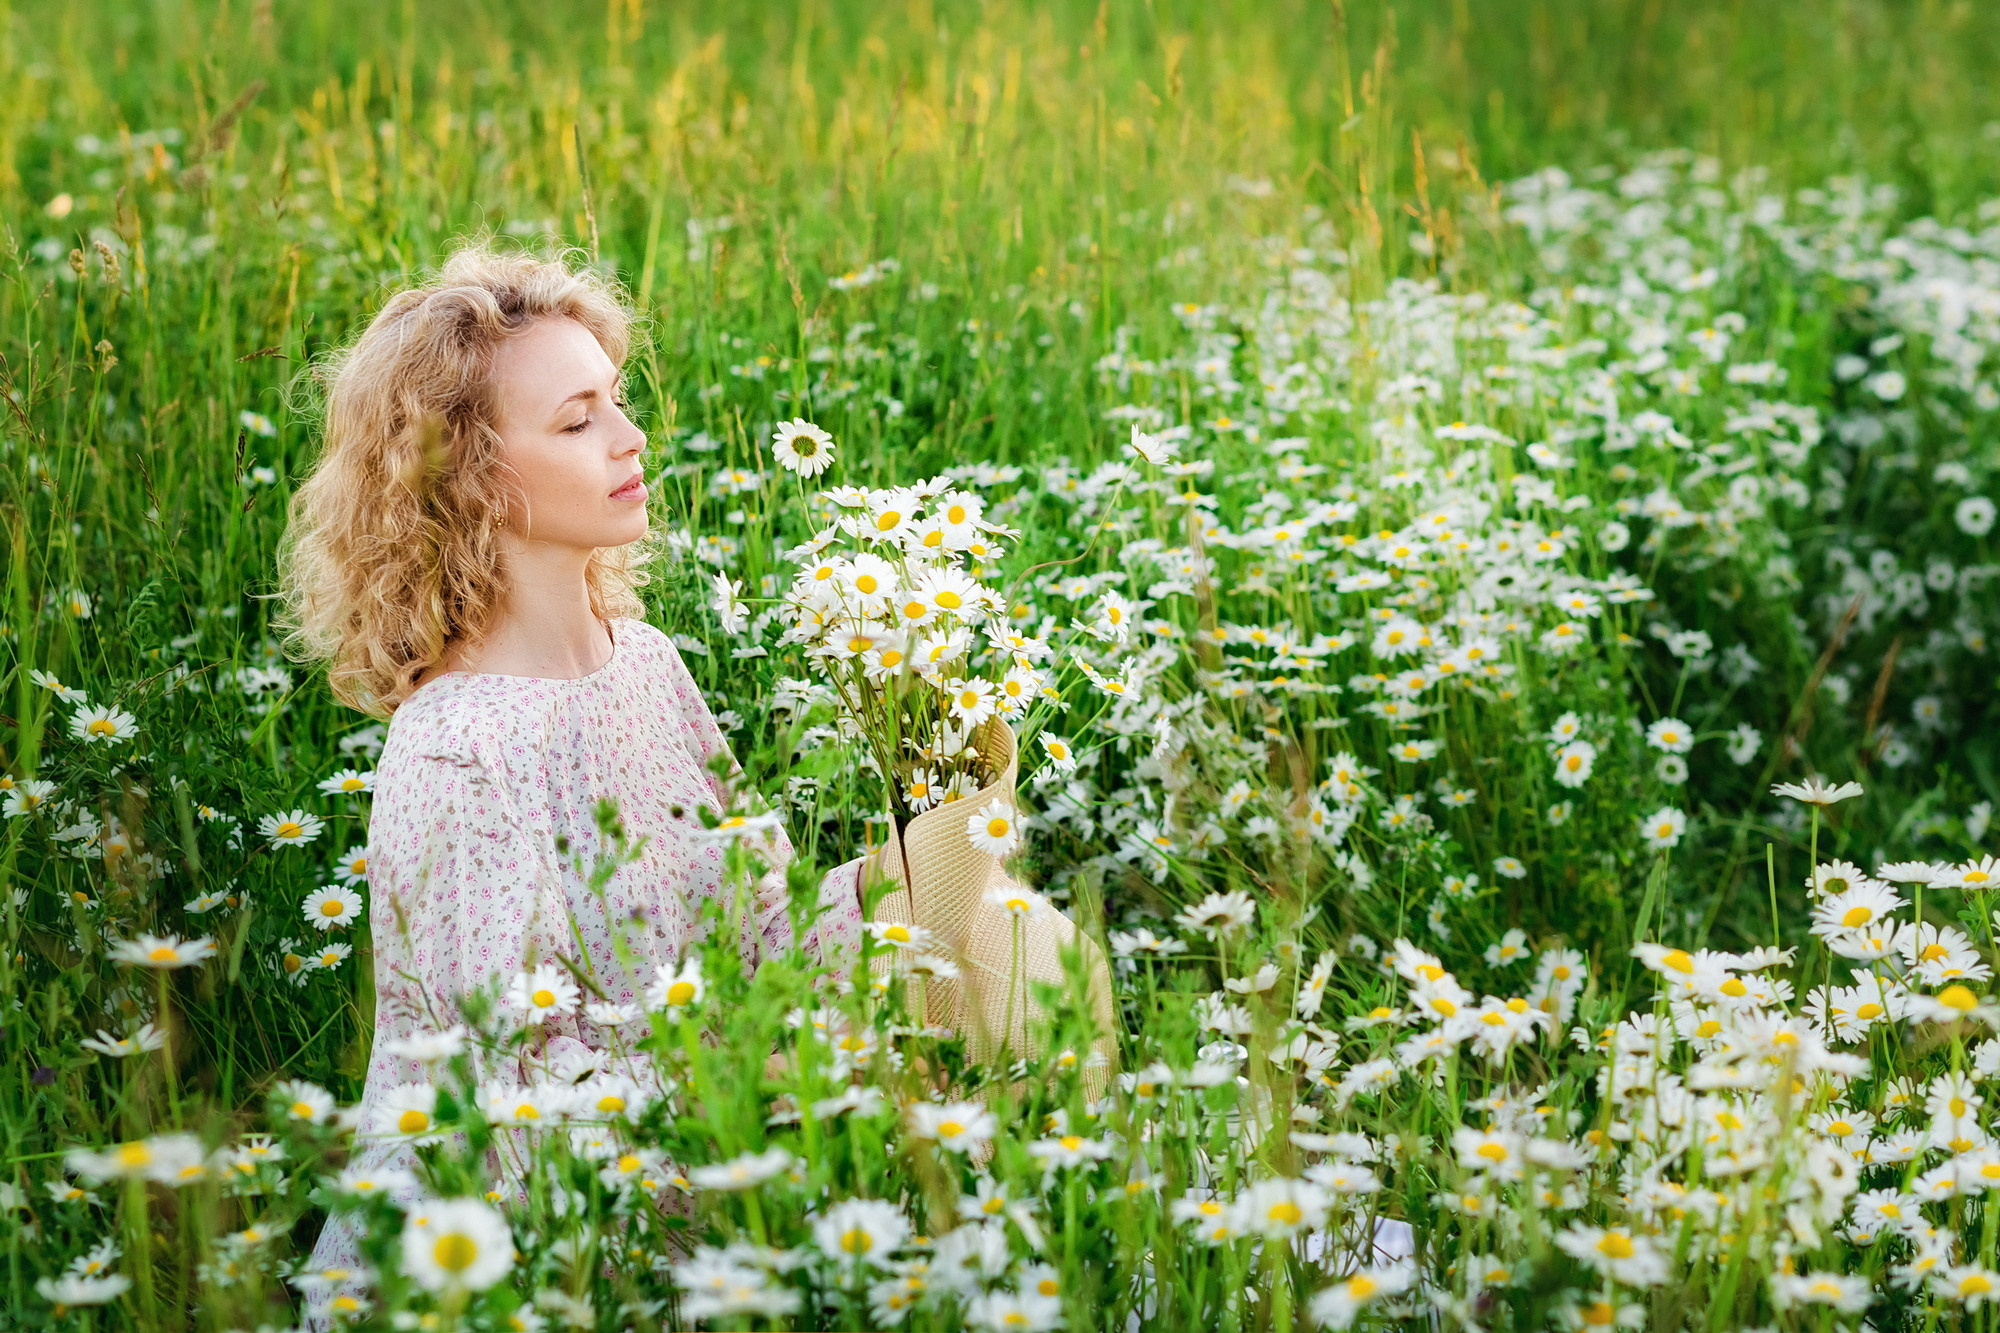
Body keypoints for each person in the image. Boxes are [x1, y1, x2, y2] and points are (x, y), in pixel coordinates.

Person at [272, 239, 866, 1321]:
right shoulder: (460, 752)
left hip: (715, 1153)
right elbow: (519, 1115)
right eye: (576, 418)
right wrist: (768, 1080)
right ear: (468, 475)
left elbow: (751, 933)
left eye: (617, 399)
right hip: (517, 1264)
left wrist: (913, 873)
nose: (631, 438)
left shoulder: (644, 658)